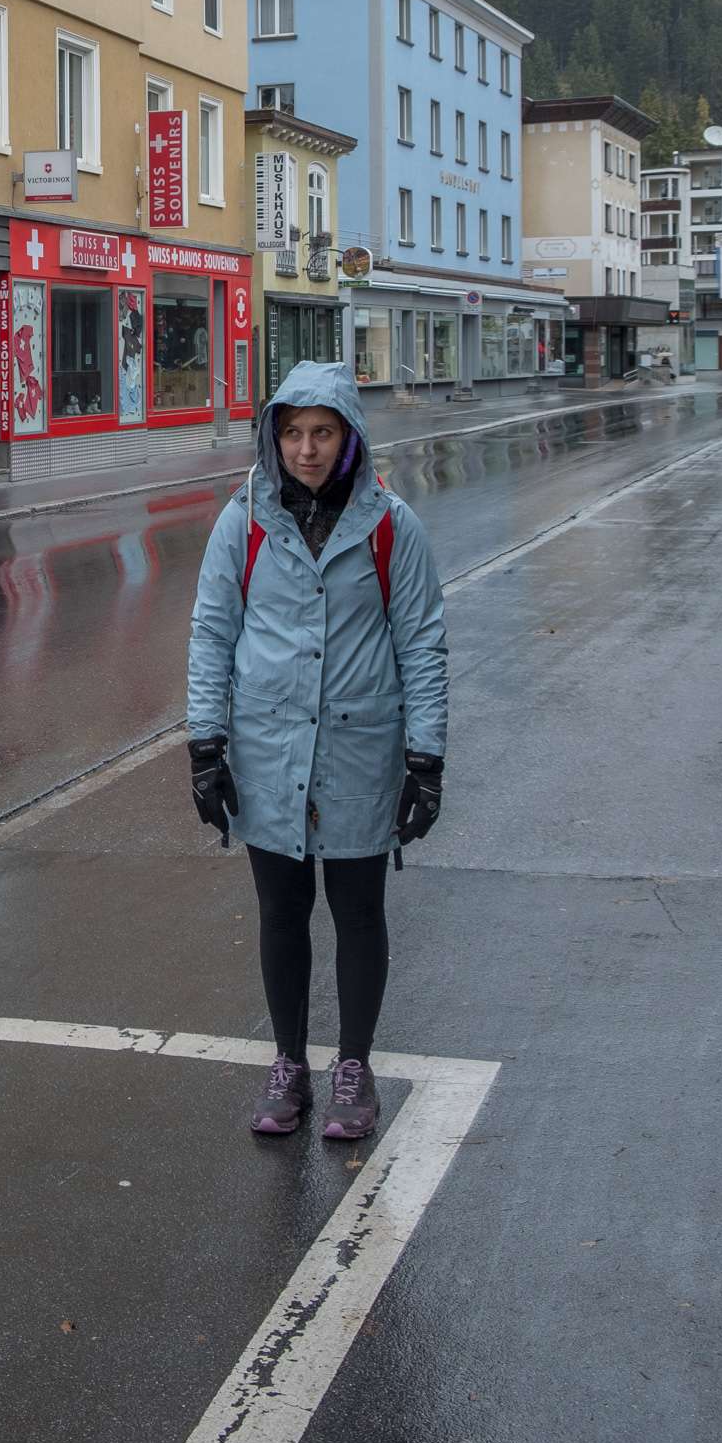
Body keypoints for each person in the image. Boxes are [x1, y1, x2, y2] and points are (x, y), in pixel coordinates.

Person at [185, 362, 447, 1143]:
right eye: (293, 433)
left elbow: (422, 642)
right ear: (274, 437)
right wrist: (206, 744)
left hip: (362, 747)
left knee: (359, 912)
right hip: (268, 748)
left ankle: (354, 1070)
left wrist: (425, 760)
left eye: (322, 433)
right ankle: (290, 1064)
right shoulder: (246, 520)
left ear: (350, 440)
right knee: (282, 911)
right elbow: (212, 632)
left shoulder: (392, 526)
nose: (306, 449)